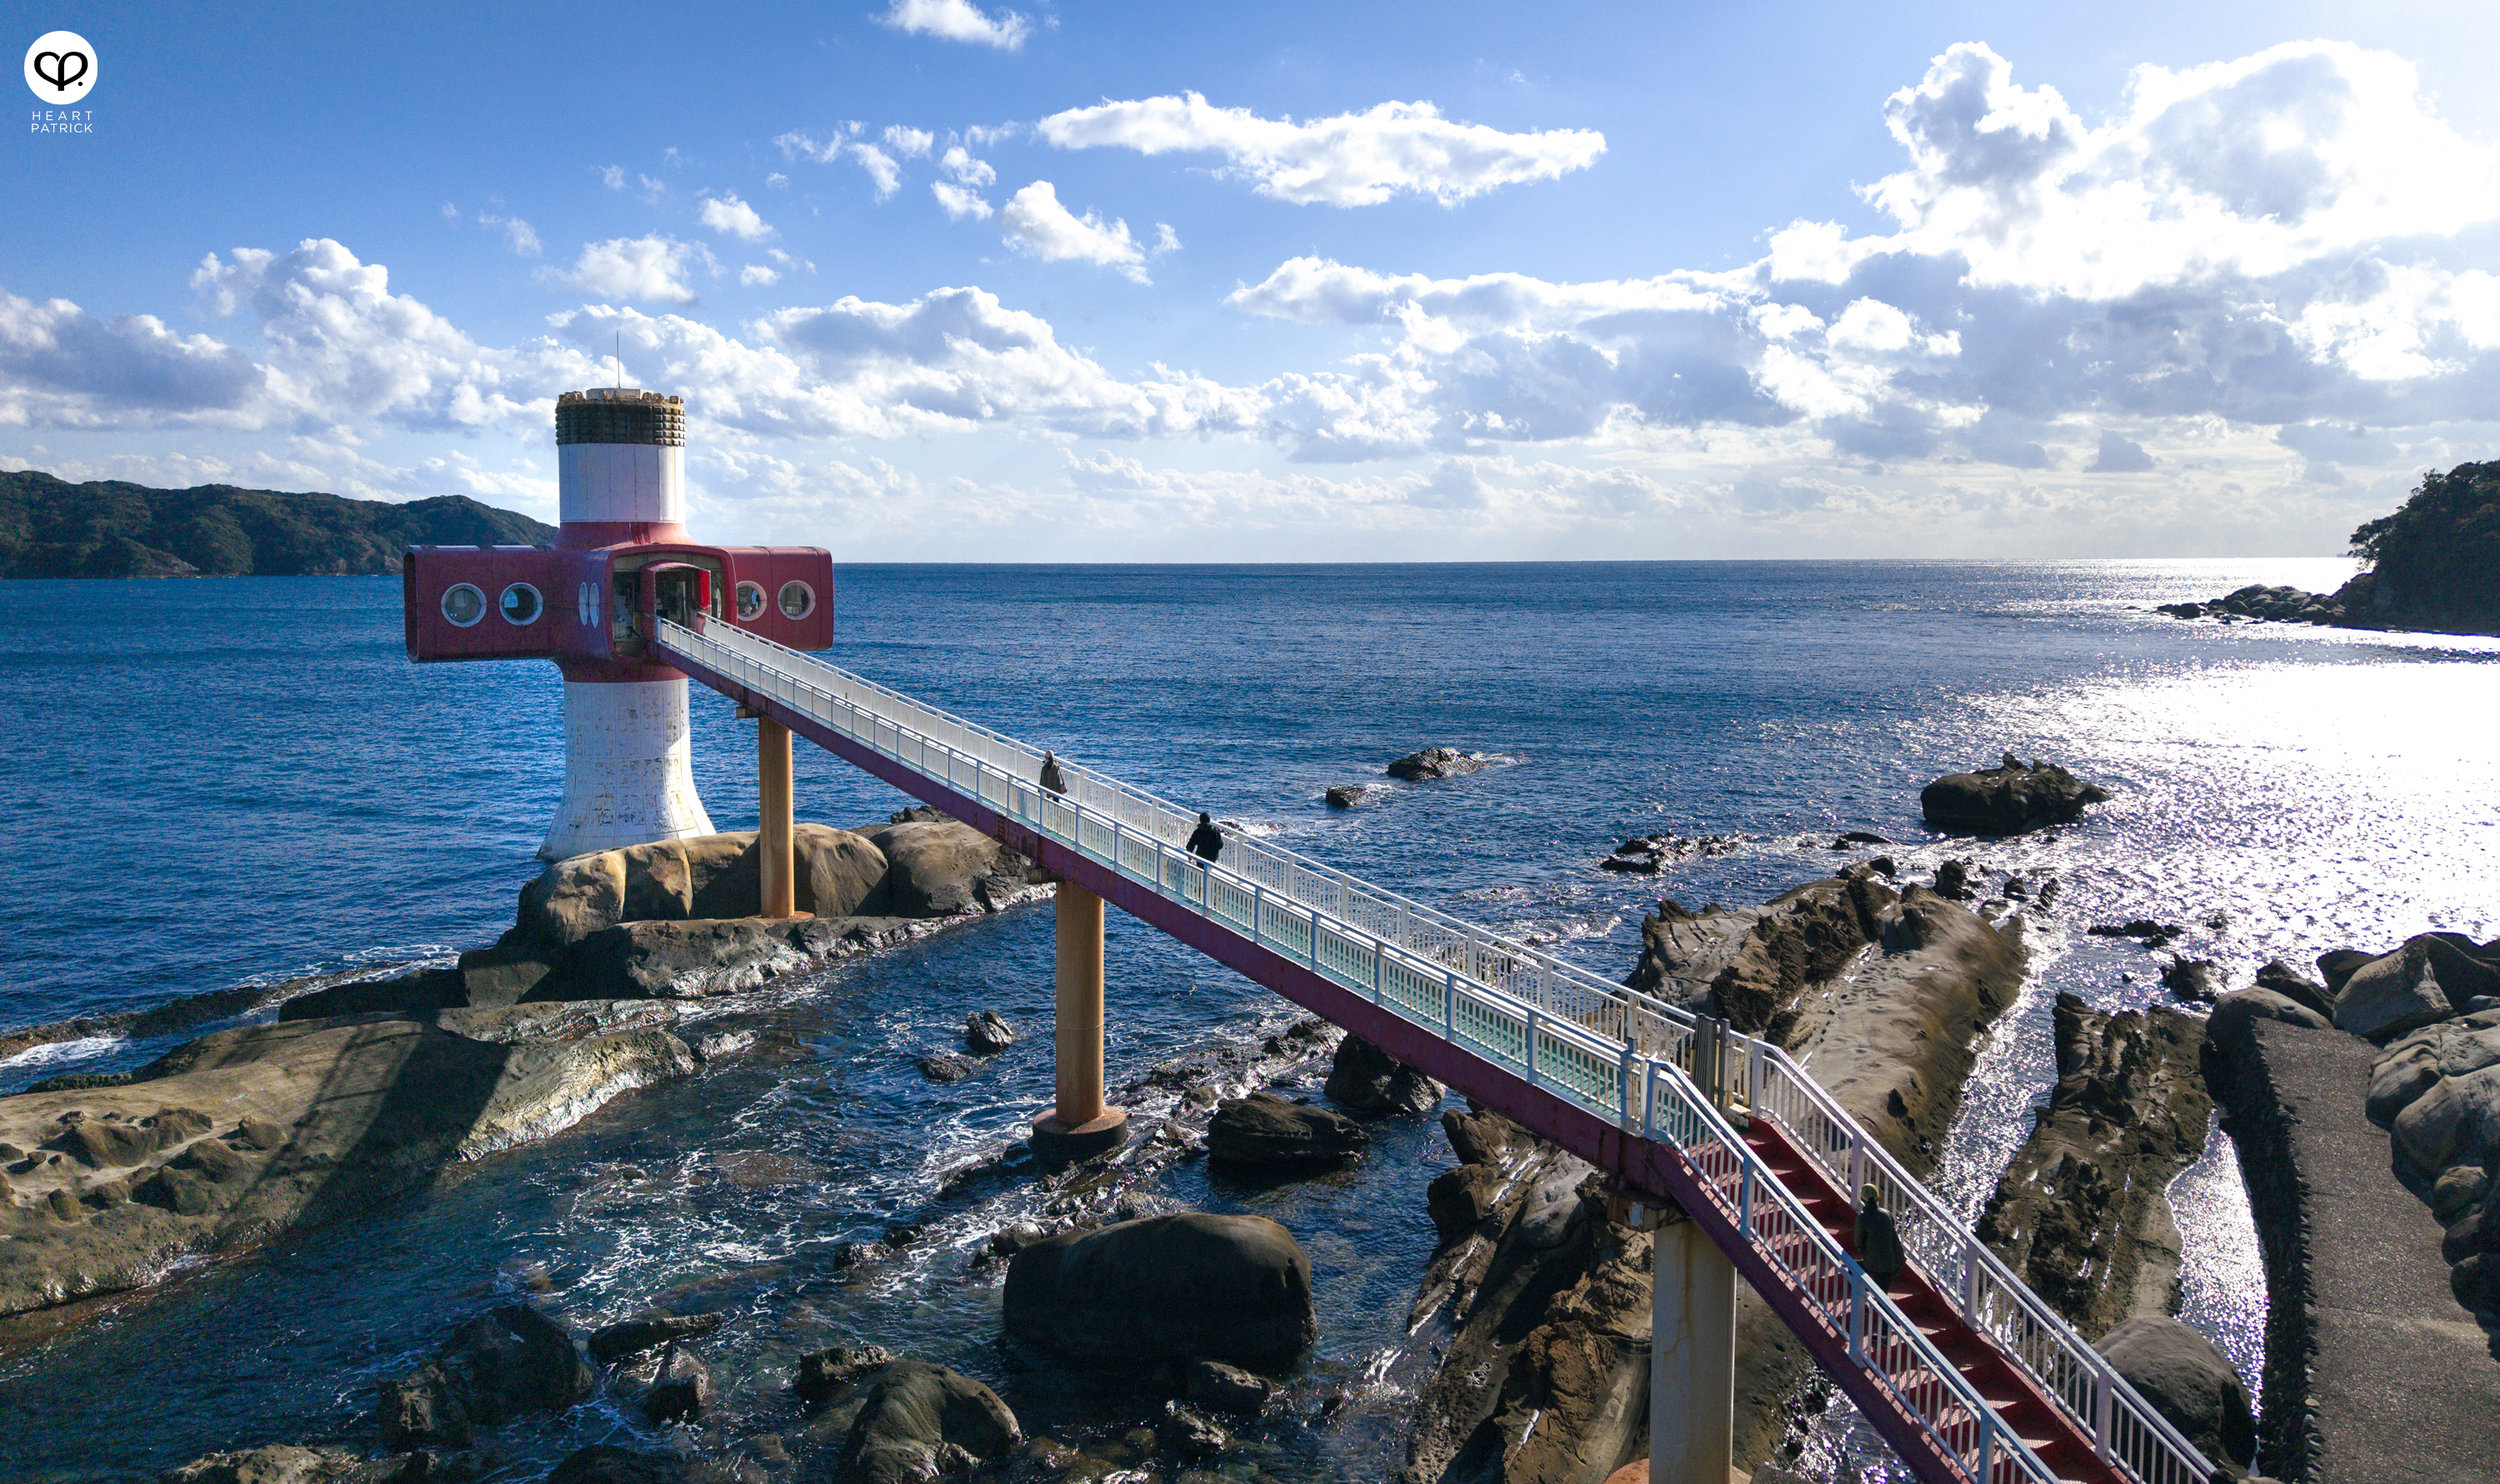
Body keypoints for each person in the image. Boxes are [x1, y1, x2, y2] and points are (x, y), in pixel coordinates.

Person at [1854, 1183, 1905, 1291]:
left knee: (1854, 1268)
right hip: (1890, 1262)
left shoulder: (1862, 1219)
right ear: (1878, 1198)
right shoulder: (1886, 1214)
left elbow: (1858, 1243)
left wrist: (1866, 1253)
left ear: (1863, 1199)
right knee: (1882, 1293)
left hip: (1872, 1263)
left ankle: (1862, 1303)